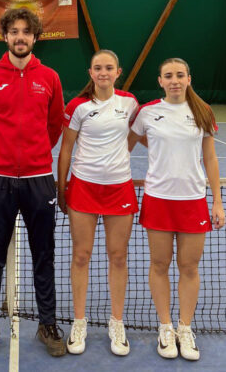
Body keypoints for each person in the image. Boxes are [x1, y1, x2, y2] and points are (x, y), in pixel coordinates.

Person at [0, 7, 65, 358]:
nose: (20, 37)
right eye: (14, 31)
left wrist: (36, 155)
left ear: (35, 37)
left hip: (39, 180)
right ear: (5, 36)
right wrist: (2, 153)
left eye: (26, 31)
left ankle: (47, 323)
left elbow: (54, 125)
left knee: (44, 255)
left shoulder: (50, 77)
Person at [128, 58, 226, 361]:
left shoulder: (202, 111)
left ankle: (185, 327)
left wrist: (217, 200)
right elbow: (127, 144)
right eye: (168, 76)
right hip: (158, 199)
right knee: (159, 264)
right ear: (160, 81)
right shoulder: (147, 112)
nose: (174, 80)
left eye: (180, 75)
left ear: (188, 79)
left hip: (193, 200)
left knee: (189, 267)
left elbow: (210, 157)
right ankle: (166, 328)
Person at [57, 50, 138, 356]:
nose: (103, 72)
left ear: (118, 72)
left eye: (109, 68)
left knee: (118, 256)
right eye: (98, 68)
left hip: (119, 189)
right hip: (83, 189)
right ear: (90, 73)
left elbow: (139, 135)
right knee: (81, 255)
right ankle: (79, 322)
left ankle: (116, 322)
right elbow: (66, 149)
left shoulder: (129, 103)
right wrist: (62, 188)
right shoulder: (77, 106)